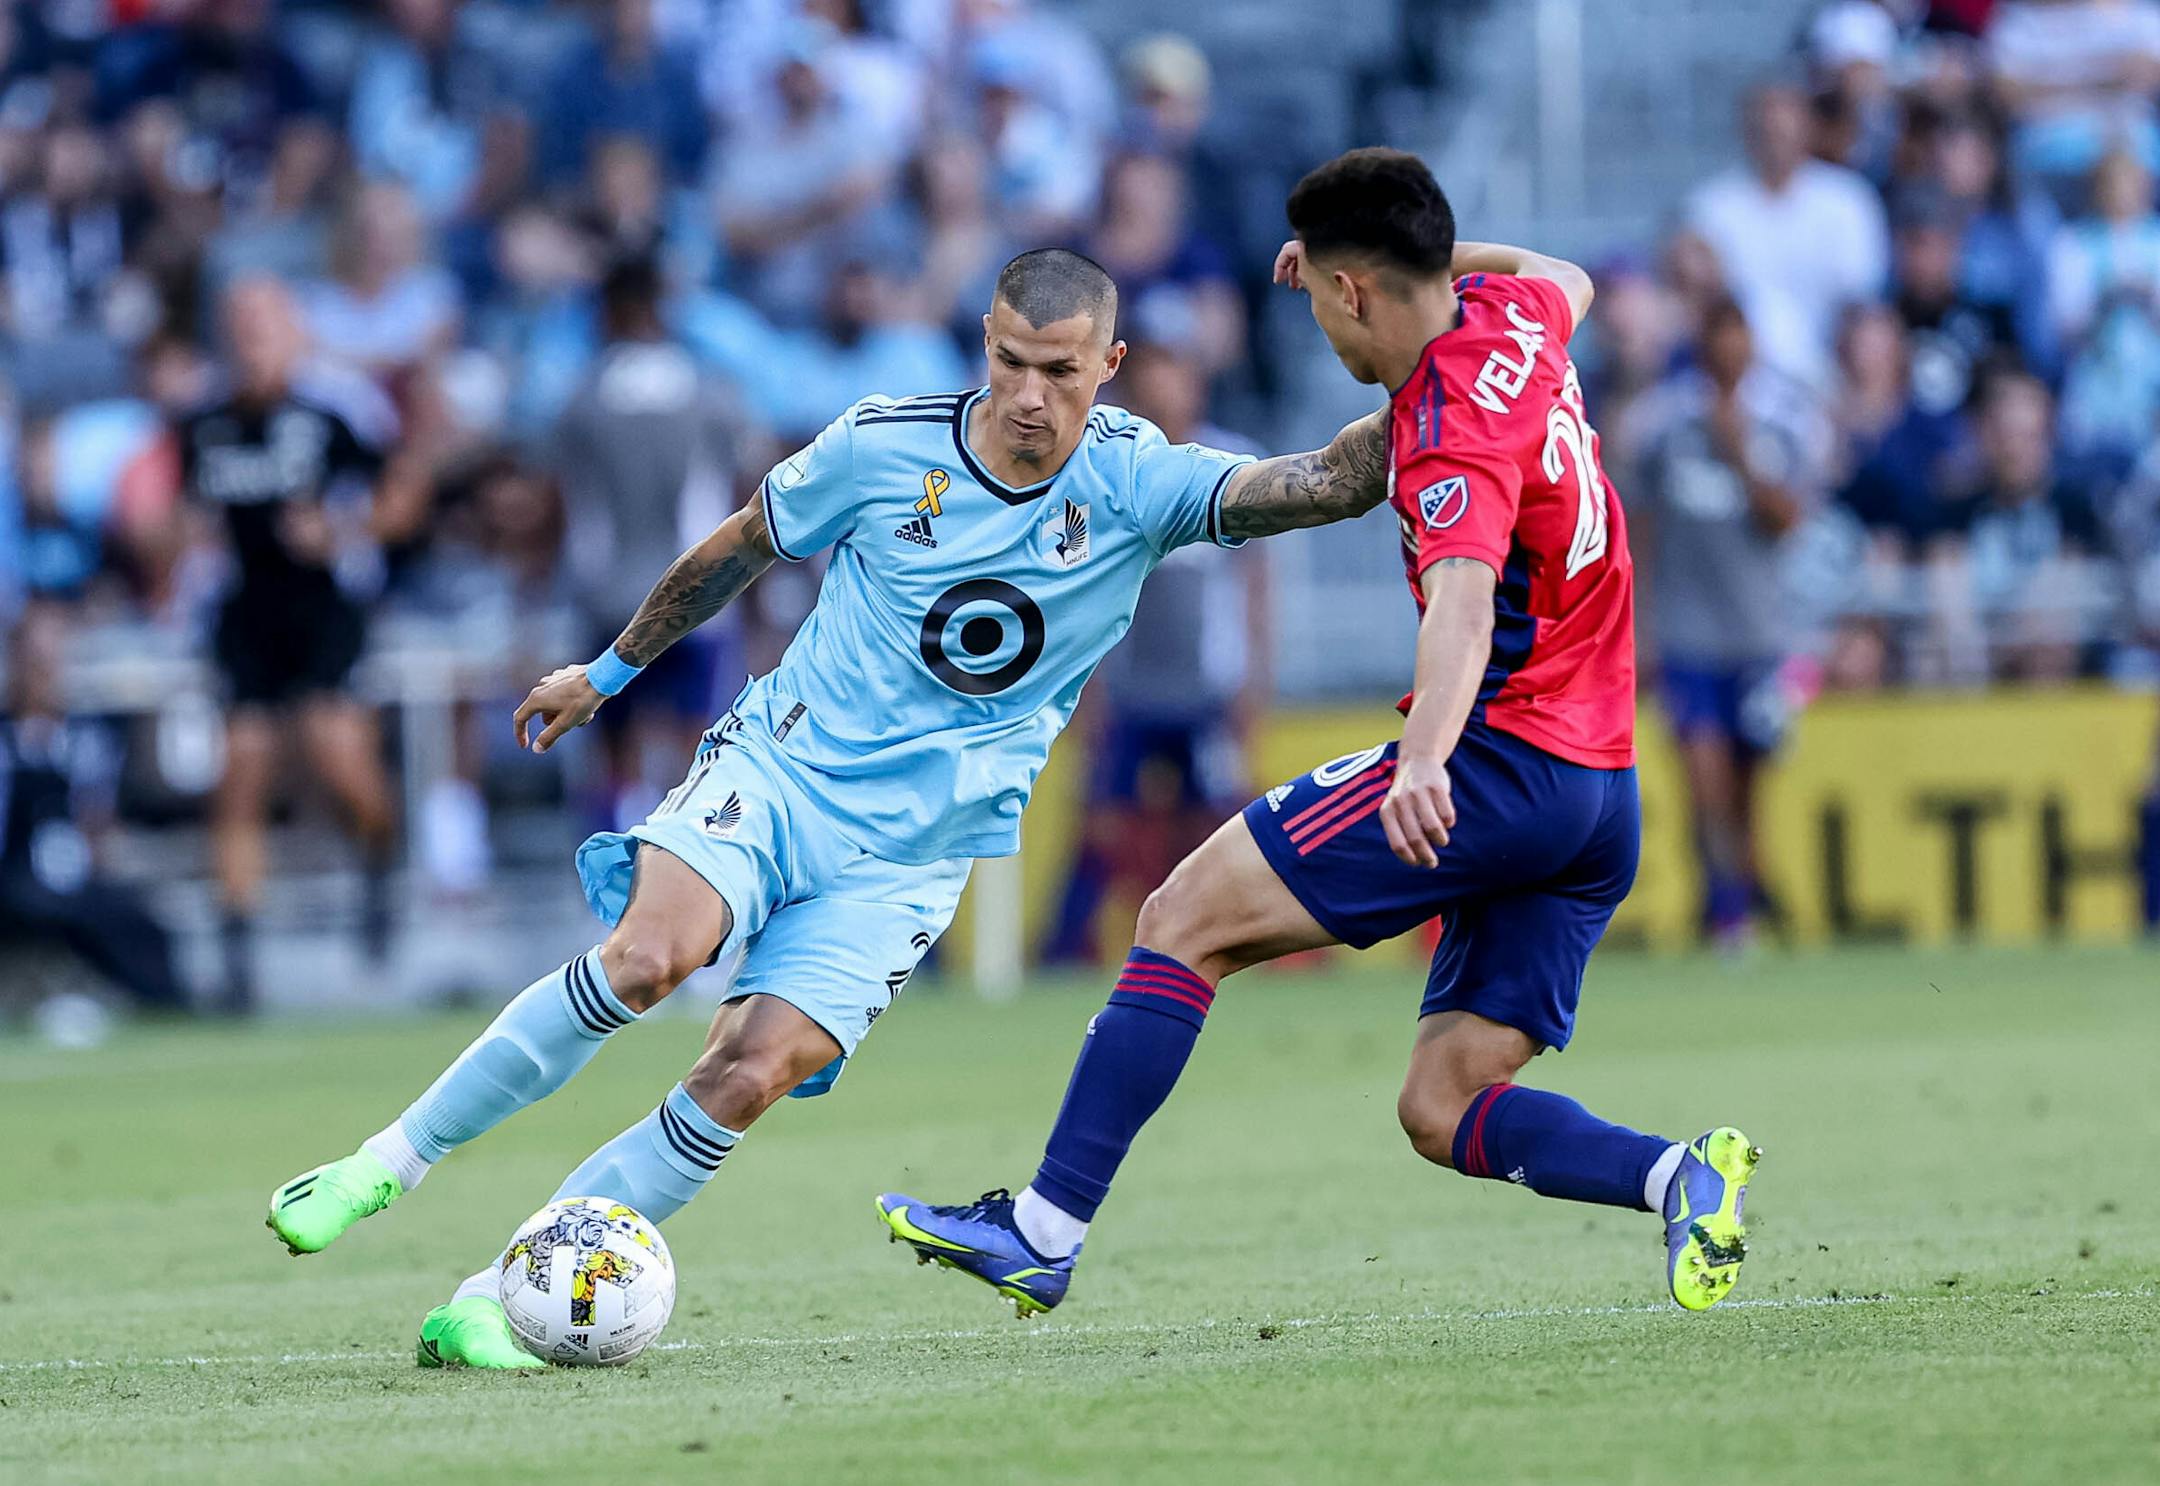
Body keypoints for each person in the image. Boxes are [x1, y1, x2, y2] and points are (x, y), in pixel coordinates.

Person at [262, 247, 1399, 1369]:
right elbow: (741, 547)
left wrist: (1440, 364)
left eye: (1059, 370)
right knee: (649, 958)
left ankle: (498, 1303)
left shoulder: (1141, 481)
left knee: (748, 1073)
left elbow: (1331, 481)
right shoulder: (883, 442)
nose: (1028, 396)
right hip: (785, 770)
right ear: (984, 346)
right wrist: (605, 674)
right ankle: (388, 1160)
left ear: (1110, 363)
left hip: (913, 856)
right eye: (1009, 361)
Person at [878, 149, 1762, 1319]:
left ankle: (1042, 1228)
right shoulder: (1516, 311)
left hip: (1497, 761)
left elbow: (1458, 597)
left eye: (1324, 302)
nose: (1326, 338)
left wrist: (1431, 760)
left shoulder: (1448, 423)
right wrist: (1414, 255)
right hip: (1601, 789)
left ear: (1354, 290)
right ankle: (1678, 1177)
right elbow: (1560, 270)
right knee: (1441, 1106)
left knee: (1180, 920)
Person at [177, 277, 415, 1011]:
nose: (250, 343)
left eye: (263, 326)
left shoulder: (328, 416)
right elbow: (184, 515)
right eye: (239, 328)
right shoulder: (204, 426)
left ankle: (381, 855)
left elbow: (401, 492)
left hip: (320, 611)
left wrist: (342, 531)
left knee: (334, 752)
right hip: (245, 613)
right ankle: (237, 951)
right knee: (241, 769)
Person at [1631, 298, 1820, 945]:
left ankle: (1736, 894)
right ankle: (1726, 909)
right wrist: (1639, 627)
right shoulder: (1663, 424)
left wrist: (1739, 451)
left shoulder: (1782, 423)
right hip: (1687, 634)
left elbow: (1787, 520)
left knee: (1749, 783)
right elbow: (1641, 527)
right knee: (1702, 772)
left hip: (1759, 634)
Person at [0, 602, 188, 1013]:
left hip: (74, 878)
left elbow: (98, 819)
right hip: (13, 879)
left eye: (54, 659)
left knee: (136, 919)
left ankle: (164, 1007)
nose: (47, 672)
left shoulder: (86, 737)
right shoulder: (7, 739)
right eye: (36, 660)